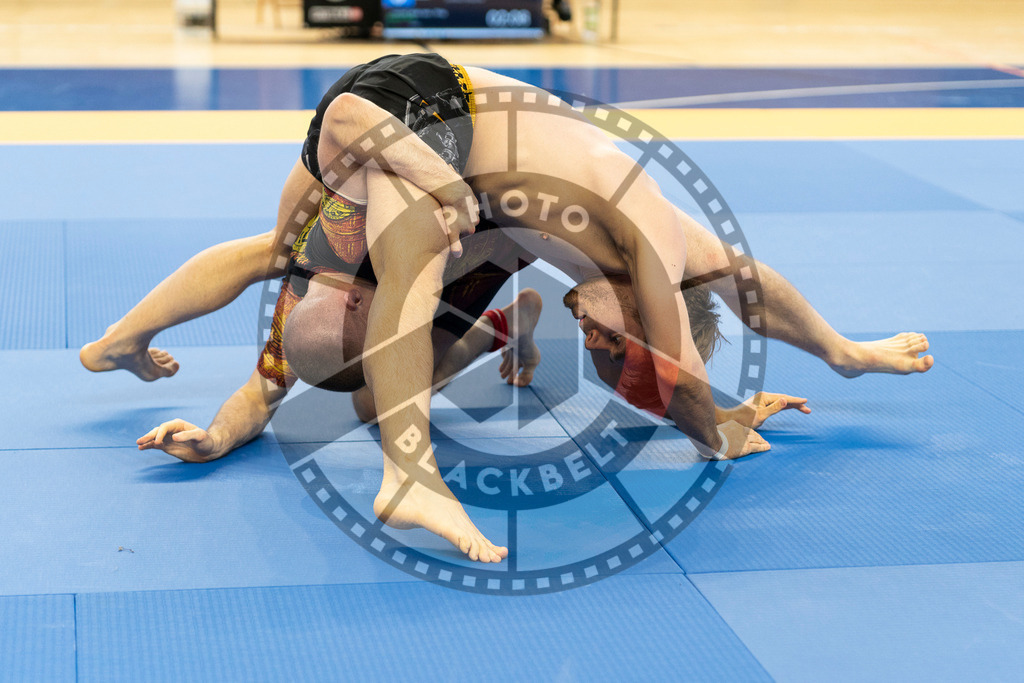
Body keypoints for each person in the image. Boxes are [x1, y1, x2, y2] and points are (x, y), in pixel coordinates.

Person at [83, 52, 932, 562]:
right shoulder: (655, 241)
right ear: (651, 313)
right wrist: (752, 405)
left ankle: (488, 340)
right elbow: (707, 347)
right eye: (608, 342)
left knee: (342, 359)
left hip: (441, 185)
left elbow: (748, 294)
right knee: (308, 271)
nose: (592, 339)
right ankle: (408, 473)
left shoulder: (542, 249)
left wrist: (222, 432)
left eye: (594, 352)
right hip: (423, 103)